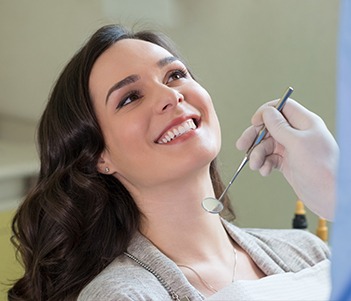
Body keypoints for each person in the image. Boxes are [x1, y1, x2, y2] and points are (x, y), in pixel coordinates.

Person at [7, 24, 338, 301]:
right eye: (130, 98)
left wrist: (337, 194)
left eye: (175, 75)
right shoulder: (123, 295)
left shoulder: (308, 252)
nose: (171, 96)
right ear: (99, 157)